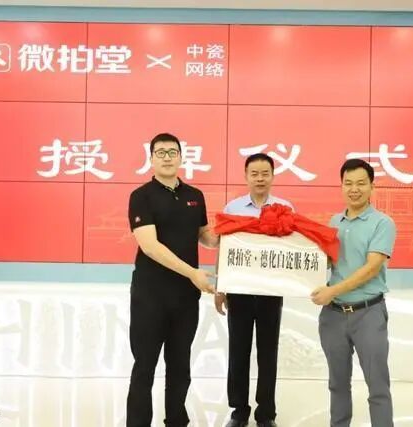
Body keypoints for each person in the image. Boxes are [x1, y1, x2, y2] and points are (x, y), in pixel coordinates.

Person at [126, 132, 219, 427]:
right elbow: (149, 246)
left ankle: (177, 420)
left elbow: (206, 237)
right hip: (150, 296)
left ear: (181, 157)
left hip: (185, 297)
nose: (167, 158)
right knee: (145, 365)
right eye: (161, 153)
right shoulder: (141, 196)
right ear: (151, 159)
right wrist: (193, 273)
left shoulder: (195, 196)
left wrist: (239, 231)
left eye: (172, 152)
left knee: (180, 365)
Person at [310, 158, 396, 427]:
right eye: (348, 183)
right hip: (333, 315)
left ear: (372, 187)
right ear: (341, 186)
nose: (354, 189)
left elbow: (371, 268)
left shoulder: (382, 223)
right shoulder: (334, 221)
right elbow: (327, 262)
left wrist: (332, 289)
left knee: (377, 385)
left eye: (361, 183)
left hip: (368, 313)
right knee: (337, 383)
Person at [215, 153, 293, 427]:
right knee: (238, 351)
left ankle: (266, 413)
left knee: (268, 352)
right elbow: (224, 248)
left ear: (272, 176)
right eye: (254, 174)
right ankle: (239, 411)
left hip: (271, 290)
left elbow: (292, 249)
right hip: (239, 290)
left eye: (265, 173)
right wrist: (220, 287)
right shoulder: (234, 207)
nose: (260, 179)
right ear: (246, 176)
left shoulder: (285, 208)